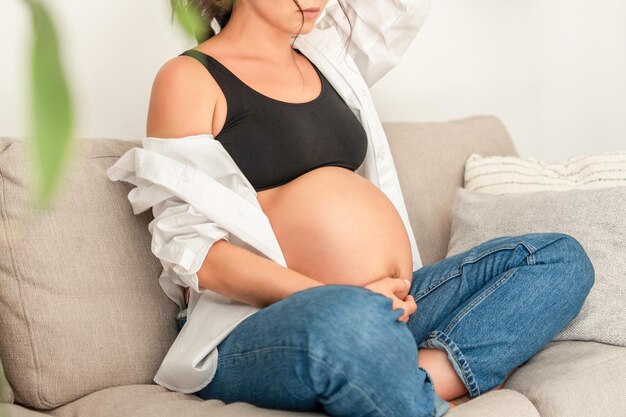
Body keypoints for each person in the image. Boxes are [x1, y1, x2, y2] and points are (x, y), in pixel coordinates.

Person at [122, 0, 595, 416]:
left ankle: (407, 373)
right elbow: (196, 255)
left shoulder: (329, 55)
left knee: (558, 259)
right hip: (261, 324)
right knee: (349, 326)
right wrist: (334, 299)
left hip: (390, 305)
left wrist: (368, 304)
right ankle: (405, 388)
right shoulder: (188, 79)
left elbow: (400, 7)